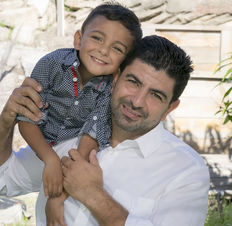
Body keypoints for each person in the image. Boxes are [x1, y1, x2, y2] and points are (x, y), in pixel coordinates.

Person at [0, 35, 210, 226]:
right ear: (116, 78)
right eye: (133, 82)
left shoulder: (186, 172)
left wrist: (93, 194)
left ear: (171, 108)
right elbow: (4, 180)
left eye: (155, 95)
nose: (137, 101)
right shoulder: (70, 129)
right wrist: (5, 123)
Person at [17, 2, 142, 198]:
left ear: (124, 63)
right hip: (37, 145)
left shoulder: (112, 90)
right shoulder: (51, 64)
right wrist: (50, 159)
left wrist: (66, 172)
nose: (103, 50)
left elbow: (91, 136)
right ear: (78, 39)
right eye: (97, 38)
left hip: (76, 153)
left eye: (117, 49)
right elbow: (25, 119)